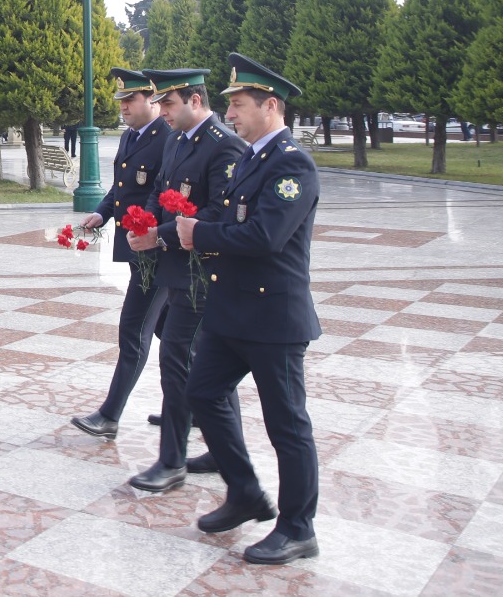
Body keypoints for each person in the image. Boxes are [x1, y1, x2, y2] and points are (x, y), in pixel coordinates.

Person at [176, 52, 322, 565]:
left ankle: (298, 528)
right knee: (203, 392)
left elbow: (266, 236)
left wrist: (204, 234)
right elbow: (228, 215)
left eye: (238, 105)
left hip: (272, 319)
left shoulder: (291, 162)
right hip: (232, 311)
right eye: (230, 105)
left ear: (271, 105)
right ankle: (244, 492)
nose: (230, 114)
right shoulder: (252, 157)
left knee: (287, 426)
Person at [123, 67, 247, 492]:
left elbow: (218, 215)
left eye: (169, 103)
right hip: (176, 270)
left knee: (177, 361)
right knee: (207, 363)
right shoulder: (177, 140)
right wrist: (146, 226)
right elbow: (161, 193)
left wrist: (159, 234)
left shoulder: (224, 148)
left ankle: (172, 459)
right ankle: (223, 448)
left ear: (196, 101)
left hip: (204, 275)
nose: (163, 112)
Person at [68, 68, 171, 438]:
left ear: (151, 100)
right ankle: (184, 406)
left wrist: (153, 233)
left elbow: (163, 197)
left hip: (157, 252)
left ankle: (110, 415)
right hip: (135, 248)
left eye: (130, 100)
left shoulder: (167, 138)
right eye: (121, 101)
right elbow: (121, 188)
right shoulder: (132, 136)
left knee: (134, 329)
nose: (124, 107)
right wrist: (101, 211)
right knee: (167, 329)